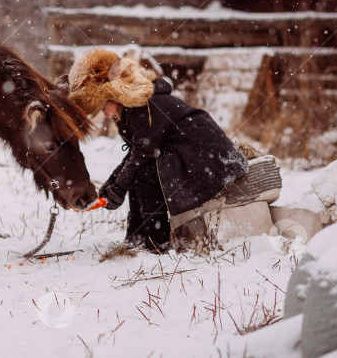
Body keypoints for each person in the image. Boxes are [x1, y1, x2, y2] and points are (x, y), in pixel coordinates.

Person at [68, 48, 249, 253]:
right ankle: (136, 238)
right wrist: (112, 185)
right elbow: (137, 152)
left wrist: (118, 190)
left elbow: (143, 154)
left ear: (114, 94)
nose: (105, 114)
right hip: (190, 157)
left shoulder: (145, 108)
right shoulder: (131, 111)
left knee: (146, 174)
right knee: (139, 171)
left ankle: (157, 243)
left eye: (102, 107)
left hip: (211, 161)